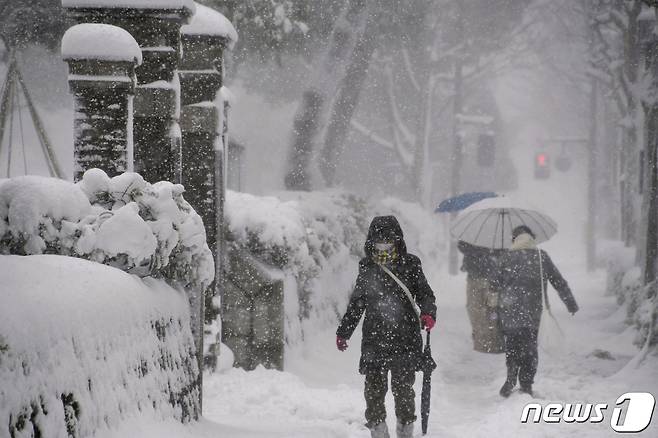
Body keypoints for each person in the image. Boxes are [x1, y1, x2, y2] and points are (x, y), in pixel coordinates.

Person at [336, 216, 437, 438]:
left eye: (388, 238)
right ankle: (378, 433)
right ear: (372, 239)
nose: (383, 243)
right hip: (374, 339)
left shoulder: (411, 264)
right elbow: (358, 303)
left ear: (397, 239)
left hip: (406, 339)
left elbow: (425, 294)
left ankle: (405, 432)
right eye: (379, 238)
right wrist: (344, 332)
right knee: (373, 392)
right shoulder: (367, 266)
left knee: (403, 392)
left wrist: (429, 313)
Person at [493, 225, 579, 398]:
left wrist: (495, 311)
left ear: (514, 240)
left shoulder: (505, 258)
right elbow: (558, 281)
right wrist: (570, 303)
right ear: (532, 238)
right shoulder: (541, 257)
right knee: (529, 348)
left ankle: (511, 375)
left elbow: (494, 287)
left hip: (509, 312)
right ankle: (526, 384)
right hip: (532, 313)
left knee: (512, 346)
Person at [457, 240, 505, 353]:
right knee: (476, 309)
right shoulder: (475, 232)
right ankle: (482, 341)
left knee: (491, 309)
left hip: (492, 278)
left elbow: (503, 252)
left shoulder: (495, 233)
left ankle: (493, 342)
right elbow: (461, 245)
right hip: (476, 276)